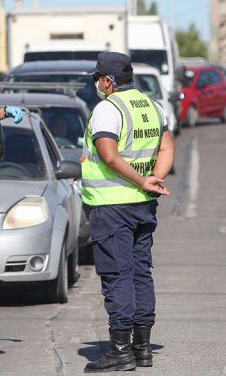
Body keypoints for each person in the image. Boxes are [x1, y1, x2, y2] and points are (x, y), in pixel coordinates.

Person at [81, 52, 175, 373]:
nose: (96, 84)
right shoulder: (151, 106)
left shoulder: (107, 110)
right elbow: (167, 147)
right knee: (139, 273)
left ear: (108, 80)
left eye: (97, 79)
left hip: (112, 207)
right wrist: (153, 180)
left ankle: (121, 350)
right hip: (142, 205)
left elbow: (108, 155)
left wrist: (141, 179)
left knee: (117, 275)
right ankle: (143, 347)